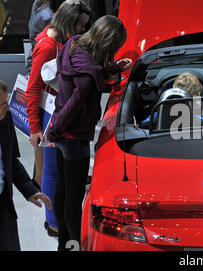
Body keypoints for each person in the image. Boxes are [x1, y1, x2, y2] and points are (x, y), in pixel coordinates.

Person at [46, 15, 131, 251]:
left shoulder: (73, 43)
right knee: (74, 202)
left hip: (61, 128)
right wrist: (55, 131)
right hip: (74, 137)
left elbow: (86, 71)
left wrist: (112, 67)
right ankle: (76, 247)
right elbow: (76, 103)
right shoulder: (90, 72)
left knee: (63, 193)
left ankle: (65, 246)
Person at [25, 0, 91, 238]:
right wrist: (35, 127)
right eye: (81, 25)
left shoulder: (55, 40)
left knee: (55, 170)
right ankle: (53, 223)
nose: (83, 30)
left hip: (54, 113)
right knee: (52, 171)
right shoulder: (48, 47)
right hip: (48, 116)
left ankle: (55, 220)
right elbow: (33, 89)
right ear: (70, 23)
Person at [0, 80, 52, 251]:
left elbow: (11, 161)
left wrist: (30, 190)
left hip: (3, 205)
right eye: (2, 104)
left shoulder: (5, 119)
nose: (8, 108)